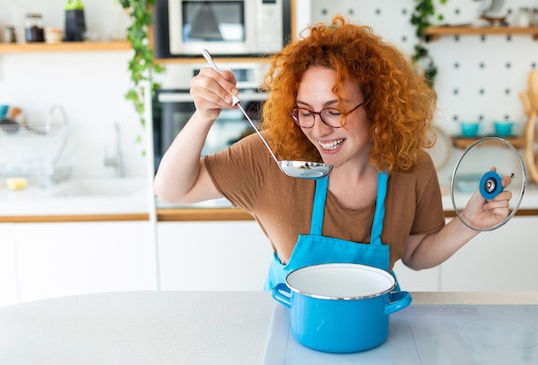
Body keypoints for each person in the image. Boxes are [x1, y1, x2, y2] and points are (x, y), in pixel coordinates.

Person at [153, 15, 512, 289]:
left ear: (376, 105)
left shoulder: (411, 167)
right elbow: (172, 189)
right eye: (304, 110)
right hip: (292, 329)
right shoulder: (272, 156)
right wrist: (205, 114)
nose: (318, 128)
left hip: (370, 329)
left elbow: (416, 255)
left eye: (334, 110)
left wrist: (469, 223)